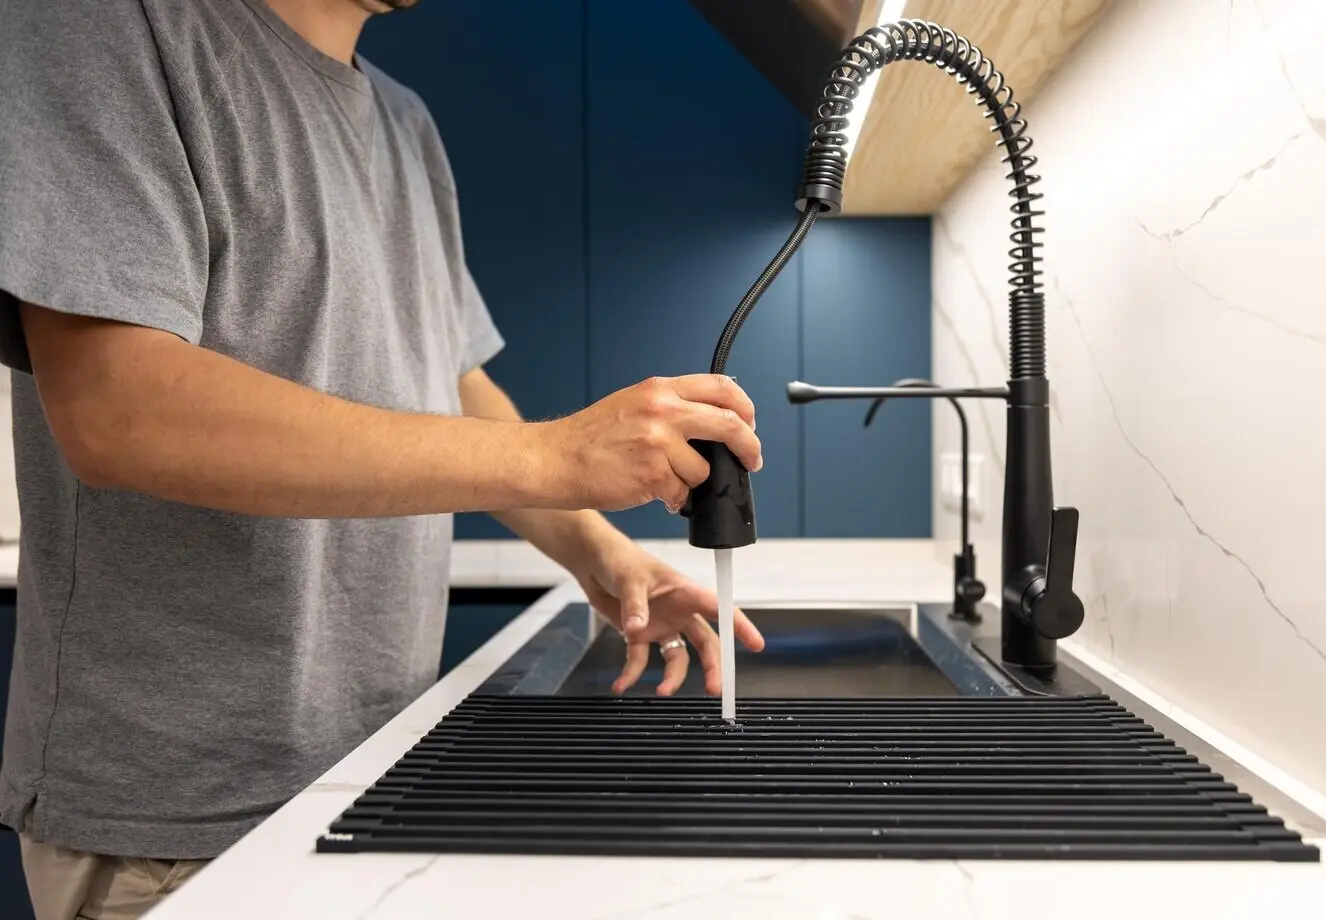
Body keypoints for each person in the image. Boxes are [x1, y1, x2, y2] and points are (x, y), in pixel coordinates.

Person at [0, 1, 768, 917]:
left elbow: (447, 380)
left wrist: (604, 554)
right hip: (182, 824)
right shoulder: (101, 24)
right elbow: (116, 411)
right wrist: (555, 453)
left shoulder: (404, 123)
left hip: (376, 774)